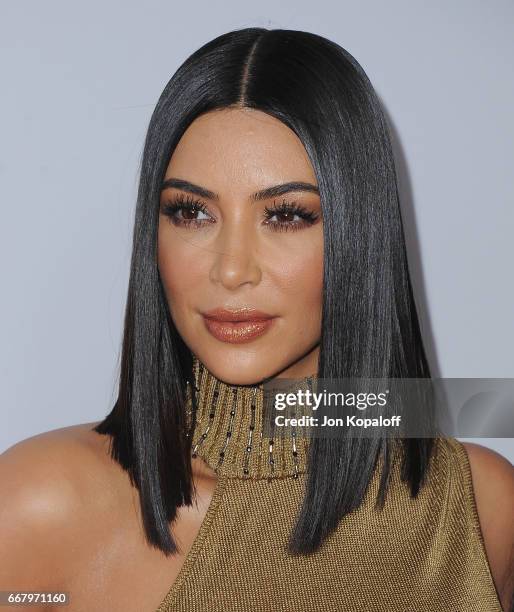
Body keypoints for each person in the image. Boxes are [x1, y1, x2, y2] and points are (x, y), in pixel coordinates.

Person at [1, 27, 513, 612]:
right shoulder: (35, 506)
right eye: (191, 212)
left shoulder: (481, 507)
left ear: (360, 234)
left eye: (287, 216)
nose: (231, 269)